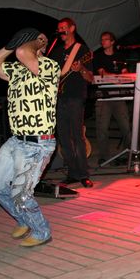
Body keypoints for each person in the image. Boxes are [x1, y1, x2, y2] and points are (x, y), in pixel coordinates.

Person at [0, 28, 60, 247]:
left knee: (21, 193)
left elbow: (23, 53)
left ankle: (42, 231)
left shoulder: (49, 67)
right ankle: (24, 220)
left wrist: (35, 42)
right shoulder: (16, 70)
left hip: (38, 143)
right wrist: (9, 45)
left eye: (36, 41)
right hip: (16, 140)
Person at [48, 18, 94, 187]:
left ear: (72, 28)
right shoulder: (56, 52)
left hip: (75, 97)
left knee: (77, 136)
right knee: (64, 137)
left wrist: (81, 69)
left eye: (63, 27)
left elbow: (90, 78)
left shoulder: (82, 50)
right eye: (59, 28)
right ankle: (72, 173)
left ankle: (83, 174)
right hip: (59, 98)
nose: (60, 31)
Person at [93, 31, 131, 165]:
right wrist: (117, 78)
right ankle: (104, 156)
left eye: (105, 39)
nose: (102, 42)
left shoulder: (120, 56)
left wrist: (122, 77)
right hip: (104, 97)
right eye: (102, 39)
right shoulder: (98, 57)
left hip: (119, 96)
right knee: (102, 128)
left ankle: (130, 154)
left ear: (113, 42)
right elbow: (102, 74)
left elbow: (125, 74)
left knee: (126, 127)